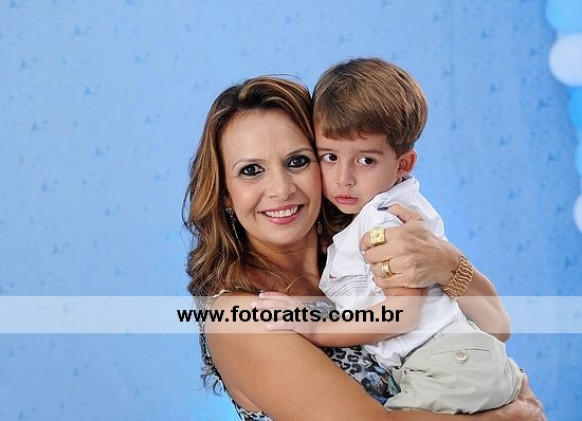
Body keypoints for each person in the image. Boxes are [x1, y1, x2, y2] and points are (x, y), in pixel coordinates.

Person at [183, 74, 546, 420]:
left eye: (297, 161)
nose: (281, 189)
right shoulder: (241, 316)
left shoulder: (359, 252)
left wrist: (447, 263)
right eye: (251, 170)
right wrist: (514, 416)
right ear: (225, 193)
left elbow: (497, 326)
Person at [256, 58, 522, 414]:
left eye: (366, 160)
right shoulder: (376, 213)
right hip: (457, 360)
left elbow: (402, 314)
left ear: (403, 164)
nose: (343, 178)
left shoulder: (385, 220)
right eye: (329, 157)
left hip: (446, 364)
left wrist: (317, 329)